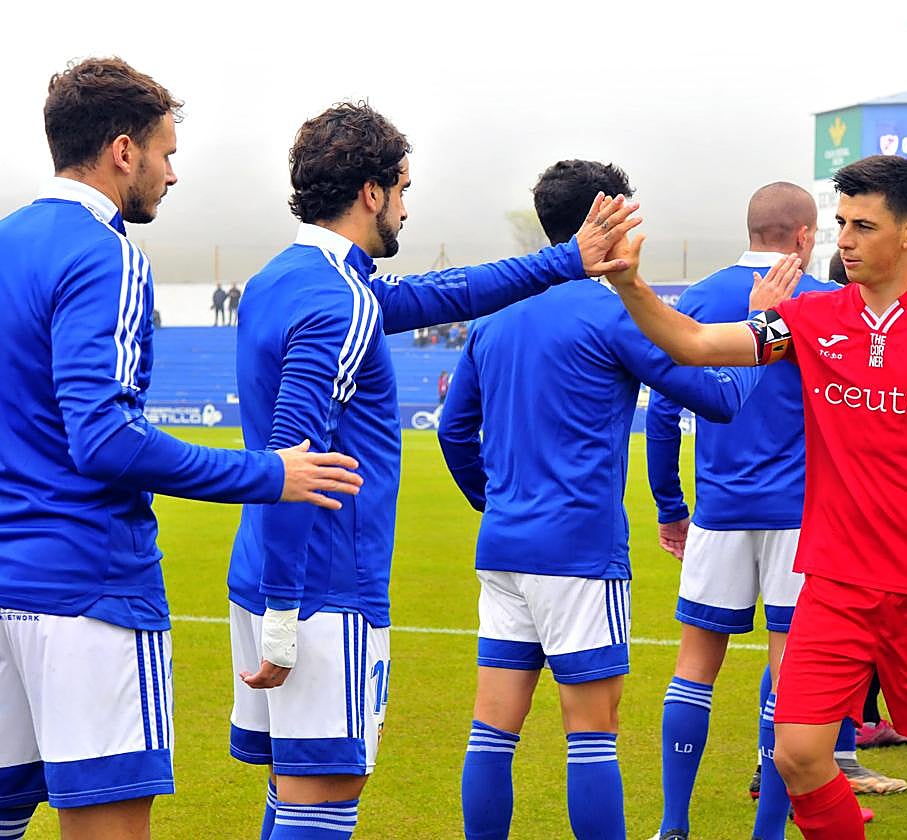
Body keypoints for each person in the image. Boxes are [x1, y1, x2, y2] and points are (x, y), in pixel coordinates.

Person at [602, 154, 907, 840]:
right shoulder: (812, 318)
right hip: (833, 583)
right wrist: (629, 284)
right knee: (797, 755)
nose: (844, 239)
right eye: (842, 223)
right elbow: (697, 342)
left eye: (863, 225)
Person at [227, 114, 641, 840]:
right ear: (370, 191)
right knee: (325, 791)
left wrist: (567, 260)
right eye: (402, 190)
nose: (408, 208)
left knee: (296, 785)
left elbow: (448, 292)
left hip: (265, 566)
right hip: (322, 585)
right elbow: (295, 458)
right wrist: (286, 615)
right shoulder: (339, 302)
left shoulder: (284, 279)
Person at [0, 57, 363, 840]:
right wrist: (268, 474)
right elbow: (104, 439)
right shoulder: (107, 253)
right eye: (166, 153)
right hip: (88, 593)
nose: (172, 174)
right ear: (122, 150)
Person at [437, 159, 771, 840]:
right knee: (591, 734)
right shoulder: (614, 310)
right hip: (579, 554)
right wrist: (763, 327)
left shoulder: (497, 315)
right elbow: (719, 399)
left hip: (504, 547)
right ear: (607, 217)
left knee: (492, 731)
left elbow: (452, 430)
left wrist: (491, 500)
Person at [644, 182, 888, 840]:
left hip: (720, 510)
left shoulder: (699, 297)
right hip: (802, 516)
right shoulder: (829, 304)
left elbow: (664, 411)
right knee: (792, 674)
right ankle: (768, 832)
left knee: (694, 664)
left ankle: (673, 825)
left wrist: (670, 504)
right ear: (805, 236)